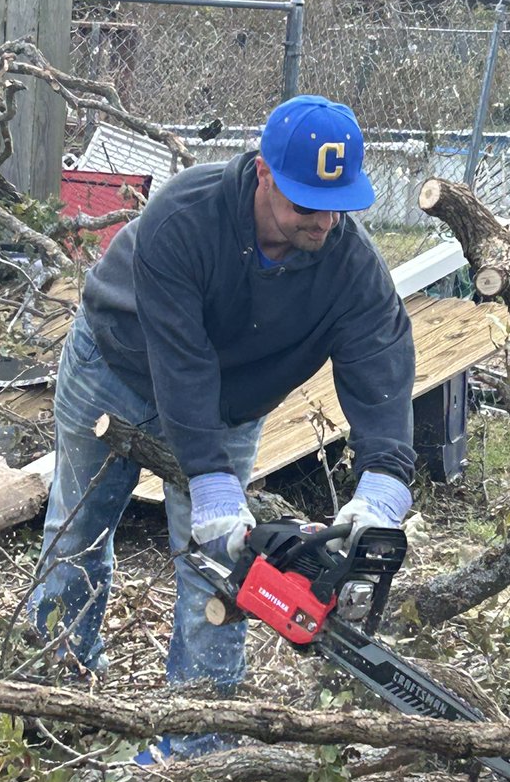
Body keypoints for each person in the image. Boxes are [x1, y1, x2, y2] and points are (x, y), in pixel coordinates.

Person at [28, 94, 417, 742]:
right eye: (304, 205)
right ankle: (50, 700)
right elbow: (181, 364)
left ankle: (198, 752)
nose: (323, 223)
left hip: (231, 405)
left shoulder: (352, 269)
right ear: (263, 172)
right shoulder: (187, 215)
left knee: (220, 572)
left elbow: (379, 365)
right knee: (78, 534)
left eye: (335, 206)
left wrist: (384, 482)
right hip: (115, 365)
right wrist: (212, 484)